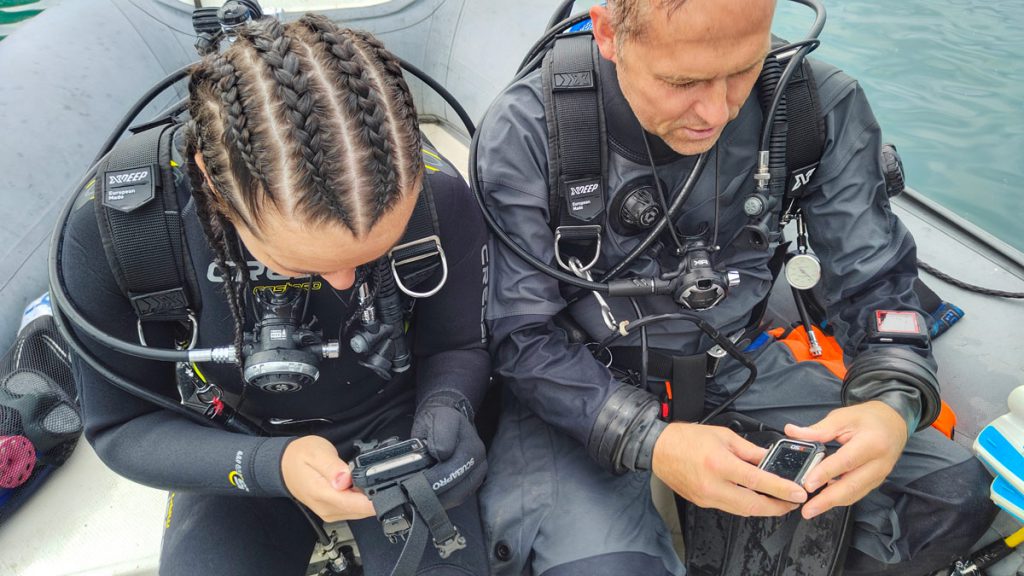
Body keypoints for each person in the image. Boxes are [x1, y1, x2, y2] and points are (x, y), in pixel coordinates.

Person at [475, 1, 997, 575]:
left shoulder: (810, 106)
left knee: (952, 492)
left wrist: (893, 404)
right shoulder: (532, 128)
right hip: (580, 391)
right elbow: (521, 338)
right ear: (607, 34)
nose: (717, 110)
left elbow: (876, 281)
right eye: (683, 81)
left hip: (735, 361)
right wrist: (654, 442)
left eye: (743, 71)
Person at [59, 14, 491, 576]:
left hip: (396, 422)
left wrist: (447, 408)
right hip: (230, 436)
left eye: (372, 256)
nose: (344, 283)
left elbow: (459, 344)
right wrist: (271, 465)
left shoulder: (439, 199)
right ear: (214, 186)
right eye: (303, 263)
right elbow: (121, 426)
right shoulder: (122, 229)